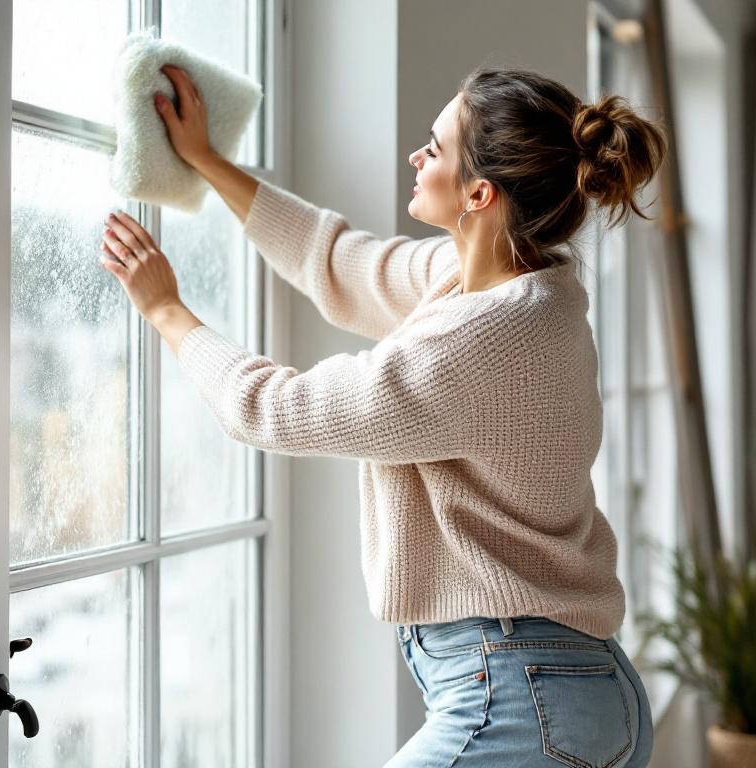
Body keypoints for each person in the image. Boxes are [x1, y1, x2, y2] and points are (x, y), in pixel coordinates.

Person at [99, 64, 666, 766]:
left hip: (526, 700)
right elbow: (337, 261)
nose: (415, 156)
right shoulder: (507, 287)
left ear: (479, 194)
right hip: (580, 692)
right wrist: (209, 162)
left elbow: (273, 409)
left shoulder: (484, 338)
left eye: (436, 147)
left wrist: (165, 310)